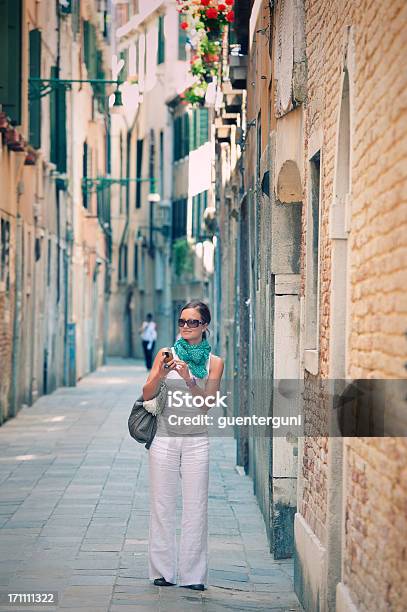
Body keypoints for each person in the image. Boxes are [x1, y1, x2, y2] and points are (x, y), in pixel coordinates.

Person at [142, 300, 224, 591]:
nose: (186, 327)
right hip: (163, 438)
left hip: (196, 442)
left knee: (196, 506)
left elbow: (206, 405)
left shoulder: (215, 363)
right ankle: (161, 571)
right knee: (162, 504)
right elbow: (146, 391)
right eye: (182, 321)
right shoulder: (166, 354)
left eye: (192, 322)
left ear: (204, 326)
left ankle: (193, 576)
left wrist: (189, 378)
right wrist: (161, 374)